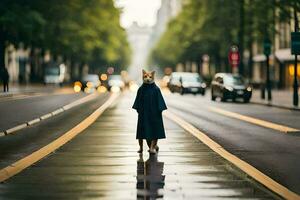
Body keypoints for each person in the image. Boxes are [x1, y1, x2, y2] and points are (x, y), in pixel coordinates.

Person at [132, 69, 167, 154]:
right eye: (145, 76)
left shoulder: (156, 89)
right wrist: (139, 110)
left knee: (154, 131)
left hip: (154, 114)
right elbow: (137, 101)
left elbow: (160, 102)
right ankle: (142, 147)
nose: (148, 78)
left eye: (150, 77)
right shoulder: (141, 89)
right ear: (143, 77)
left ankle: (152, 147)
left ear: (153, 77)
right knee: (142, 131)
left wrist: (159, 111)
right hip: (143, 114)